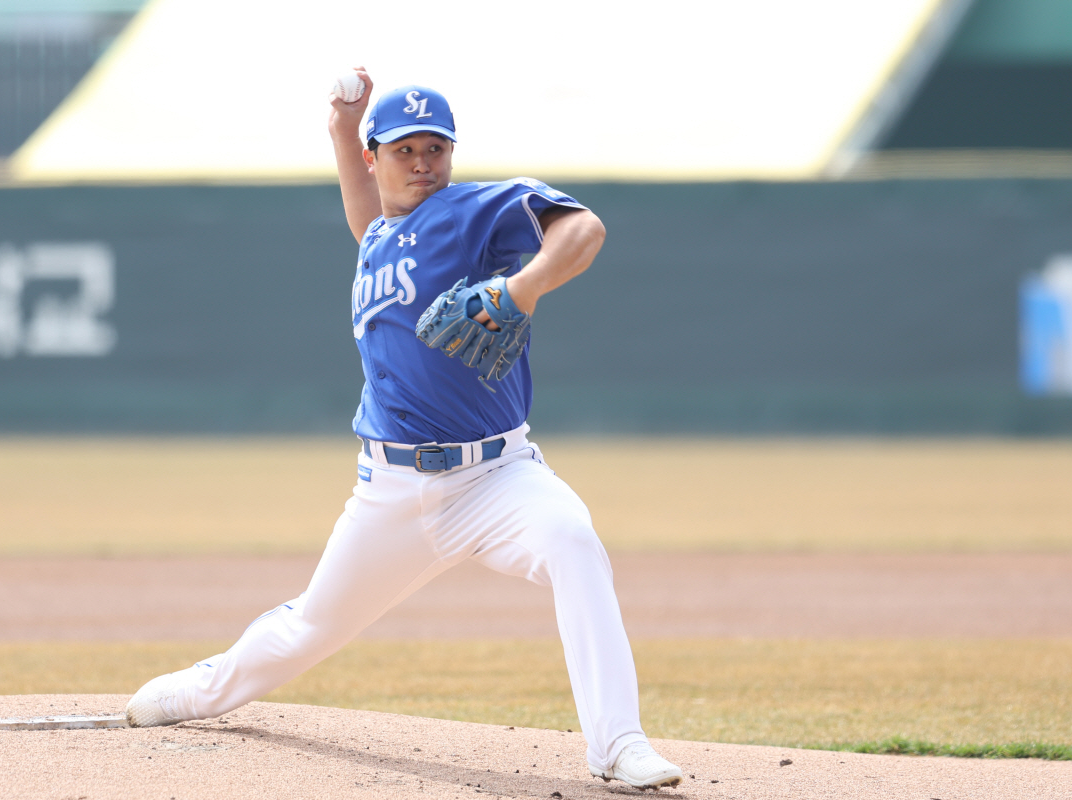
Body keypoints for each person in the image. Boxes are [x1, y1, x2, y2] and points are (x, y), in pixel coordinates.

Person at [124, 71, 684, 791]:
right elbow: (369, 221)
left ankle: (619, 745)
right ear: (375, 157)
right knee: (309, 628)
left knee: (573, 541)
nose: (423, 162)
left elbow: (584, 229)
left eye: (436, 147)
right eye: (404, 149)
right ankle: (202, 690)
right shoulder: (380, 238)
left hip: (496, 477)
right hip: (390, 491)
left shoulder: (472, 210)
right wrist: (340, 130)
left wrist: (520, 286)